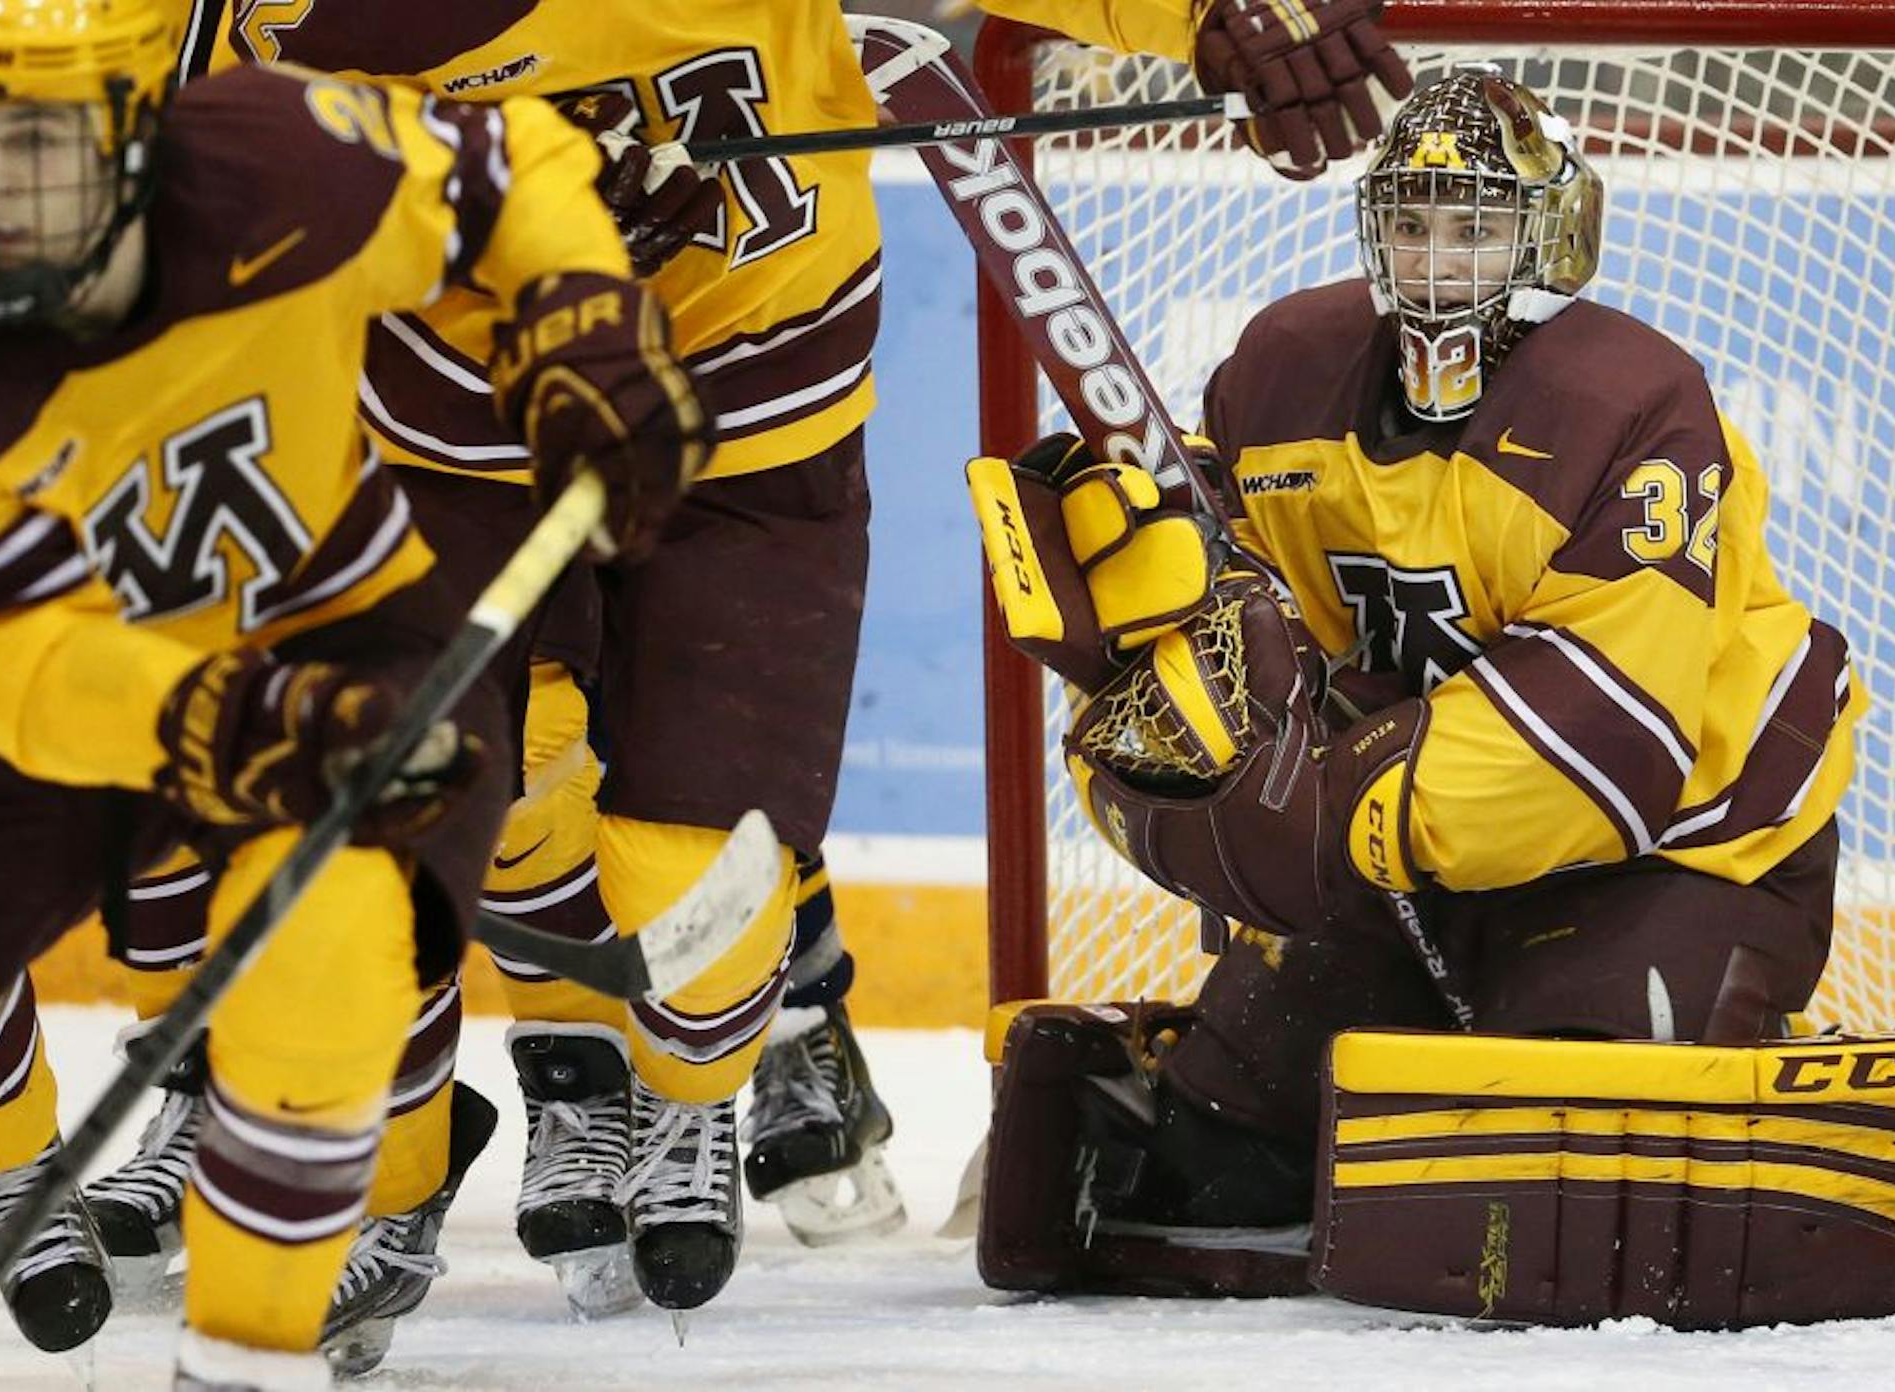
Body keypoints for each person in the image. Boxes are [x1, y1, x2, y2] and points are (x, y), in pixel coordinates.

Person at [98, 0, 1412, 1327]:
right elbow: (166, 155)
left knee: (698, 869)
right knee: (411, 818)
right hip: (458, 431)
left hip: (749, 409)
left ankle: (694, 1087)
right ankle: (414, 1156)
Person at [0, 4, 708, 1388]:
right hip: (34, 713)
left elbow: (511, 166)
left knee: (327, 950)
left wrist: (585, 324)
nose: (0, 189)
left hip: (341, 637)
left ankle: (245, 1359)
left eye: (44, 140)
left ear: (139, 131)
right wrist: (224, 721)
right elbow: (1, 662)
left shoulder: (280, 156)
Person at [965, 68, 1865, 1296]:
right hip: (1407, 861)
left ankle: (1713, 1021)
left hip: (1678, 847)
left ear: (1552, 233)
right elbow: (1228, 621)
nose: (1438, 260)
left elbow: (1613, 740)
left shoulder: (1631, 402)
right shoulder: (1286, 368)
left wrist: (1329, 814)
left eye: (1477, 227)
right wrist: (1142, 695)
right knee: (1209, 1173)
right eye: (1413, 225)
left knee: (1562, 1183)